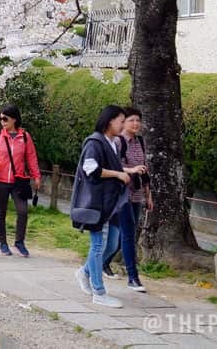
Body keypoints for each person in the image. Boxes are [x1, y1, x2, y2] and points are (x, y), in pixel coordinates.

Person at [72, 105, 138, 308]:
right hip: (97, 202)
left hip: (112, 203)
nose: (123, 124)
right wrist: (118, 174)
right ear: (110, 121)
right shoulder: (95, 142)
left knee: (112, 244)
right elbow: (90, 169)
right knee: (98, 245)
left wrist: (124, 172)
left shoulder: (113, 143)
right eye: (121, 120)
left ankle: (84, 272)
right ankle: (99, 291)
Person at [103, 107, 153, 291]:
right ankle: (133, 277)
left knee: (123, 233)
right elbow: (112, 166)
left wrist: (149, 195)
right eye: (132, 120)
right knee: (128, 234)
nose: (136, 124)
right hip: (121, 194)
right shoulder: (117, 142)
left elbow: (144, 169)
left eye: (138, 120)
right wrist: (130, 170)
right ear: (123, 122)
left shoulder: (139, 141)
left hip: (137, 194)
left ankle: (104, 262)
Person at [0, 103, 40, 257]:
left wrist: (36, 176)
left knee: (23, 211)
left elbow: (31, 157)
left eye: (5, 118)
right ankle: (3, 243)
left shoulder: (24, 136)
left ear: (14, 119)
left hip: (19, 180)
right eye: (0, 118)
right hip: (0, 180)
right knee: (0, 213)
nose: (2, 121)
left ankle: (19, 241)